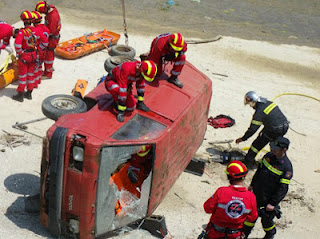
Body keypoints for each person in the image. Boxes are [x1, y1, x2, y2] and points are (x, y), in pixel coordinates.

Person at [248, 136, 293, 239]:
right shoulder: (268, 156)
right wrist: (252, 184)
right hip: (257, 194)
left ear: (284, 150)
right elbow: (259, 171)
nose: (272, 150)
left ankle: (270, 234)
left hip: (268, 200)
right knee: (250, 218)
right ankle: (244, 234)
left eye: (275, 149)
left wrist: (272, 203)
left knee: (266, 221)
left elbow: (283, 188)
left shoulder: (286, 167)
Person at [202, 160, 258, 239]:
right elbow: (252, 218)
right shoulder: (251, 197)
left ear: (229, 176)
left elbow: (207, 208)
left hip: (214, 234)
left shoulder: (222, 191)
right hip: (234, 235)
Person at [235, 91, 289, 168]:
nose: (250, 106)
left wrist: (243, 138)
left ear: (253, 102)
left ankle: (246, 164)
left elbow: (252, 130)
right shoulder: (269, 103)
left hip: (273, 130)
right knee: (276, 146)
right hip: (284, 126)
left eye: (250, 104)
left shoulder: (259, 113)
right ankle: (275, 163)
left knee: (256, 146)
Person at [12, 11, 39, 102]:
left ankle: (20, 94)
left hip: (25, 56)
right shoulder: (35, 30)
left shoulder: (22, 32)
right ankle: (29, 93)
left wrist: (20, 53)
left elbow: (17, 45)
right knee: (31, 74)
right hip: (33, 55)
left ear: (23, 21)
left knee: (23, 76)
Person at [35, 1, 61, 79]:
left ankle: (48, 73)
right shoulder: (52, 9)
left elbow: (51, 31)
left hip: (52, 38)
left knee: (48, 55)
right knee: (49, 54)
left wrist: (41, 35)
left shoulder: (53, 17)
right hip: (52, 36)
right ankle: (49, 68)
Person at [31, 10, 49, 87]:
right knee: (39, 66)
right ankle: (38, 80)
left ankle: (34, 84)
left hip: (38, 51)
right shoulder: (45, 28)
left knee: (34, 68)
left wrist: (38, 49)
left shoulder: (36, 30)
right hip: (43, 51)